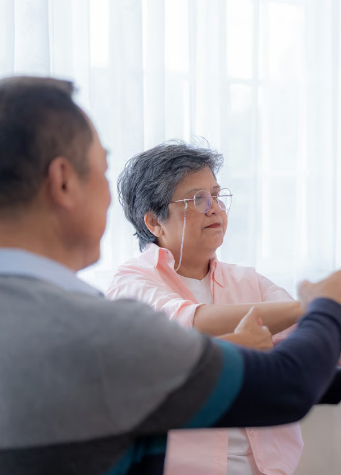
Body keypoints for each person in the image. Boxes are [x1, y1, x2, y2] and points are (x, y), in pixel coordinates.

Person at [0, 76, 341, 475]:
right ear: (63, 182)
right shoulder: (98, 322)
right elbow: (273, 380)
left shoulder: (53, 318)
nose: (213, 209)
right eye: (103, 168)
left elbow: (276, 368)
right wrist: (325, 308)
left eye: (217, 197)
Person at [104, 141, 316, 475]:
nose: (214, 208)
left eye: (217, 196)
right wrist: (311, 309)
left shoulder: (247, 281)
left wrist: (338, 324)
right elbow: (190, 323)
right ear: (154, 223)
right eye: (198, 199)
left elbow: (304, 337)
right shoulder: (131, 282)